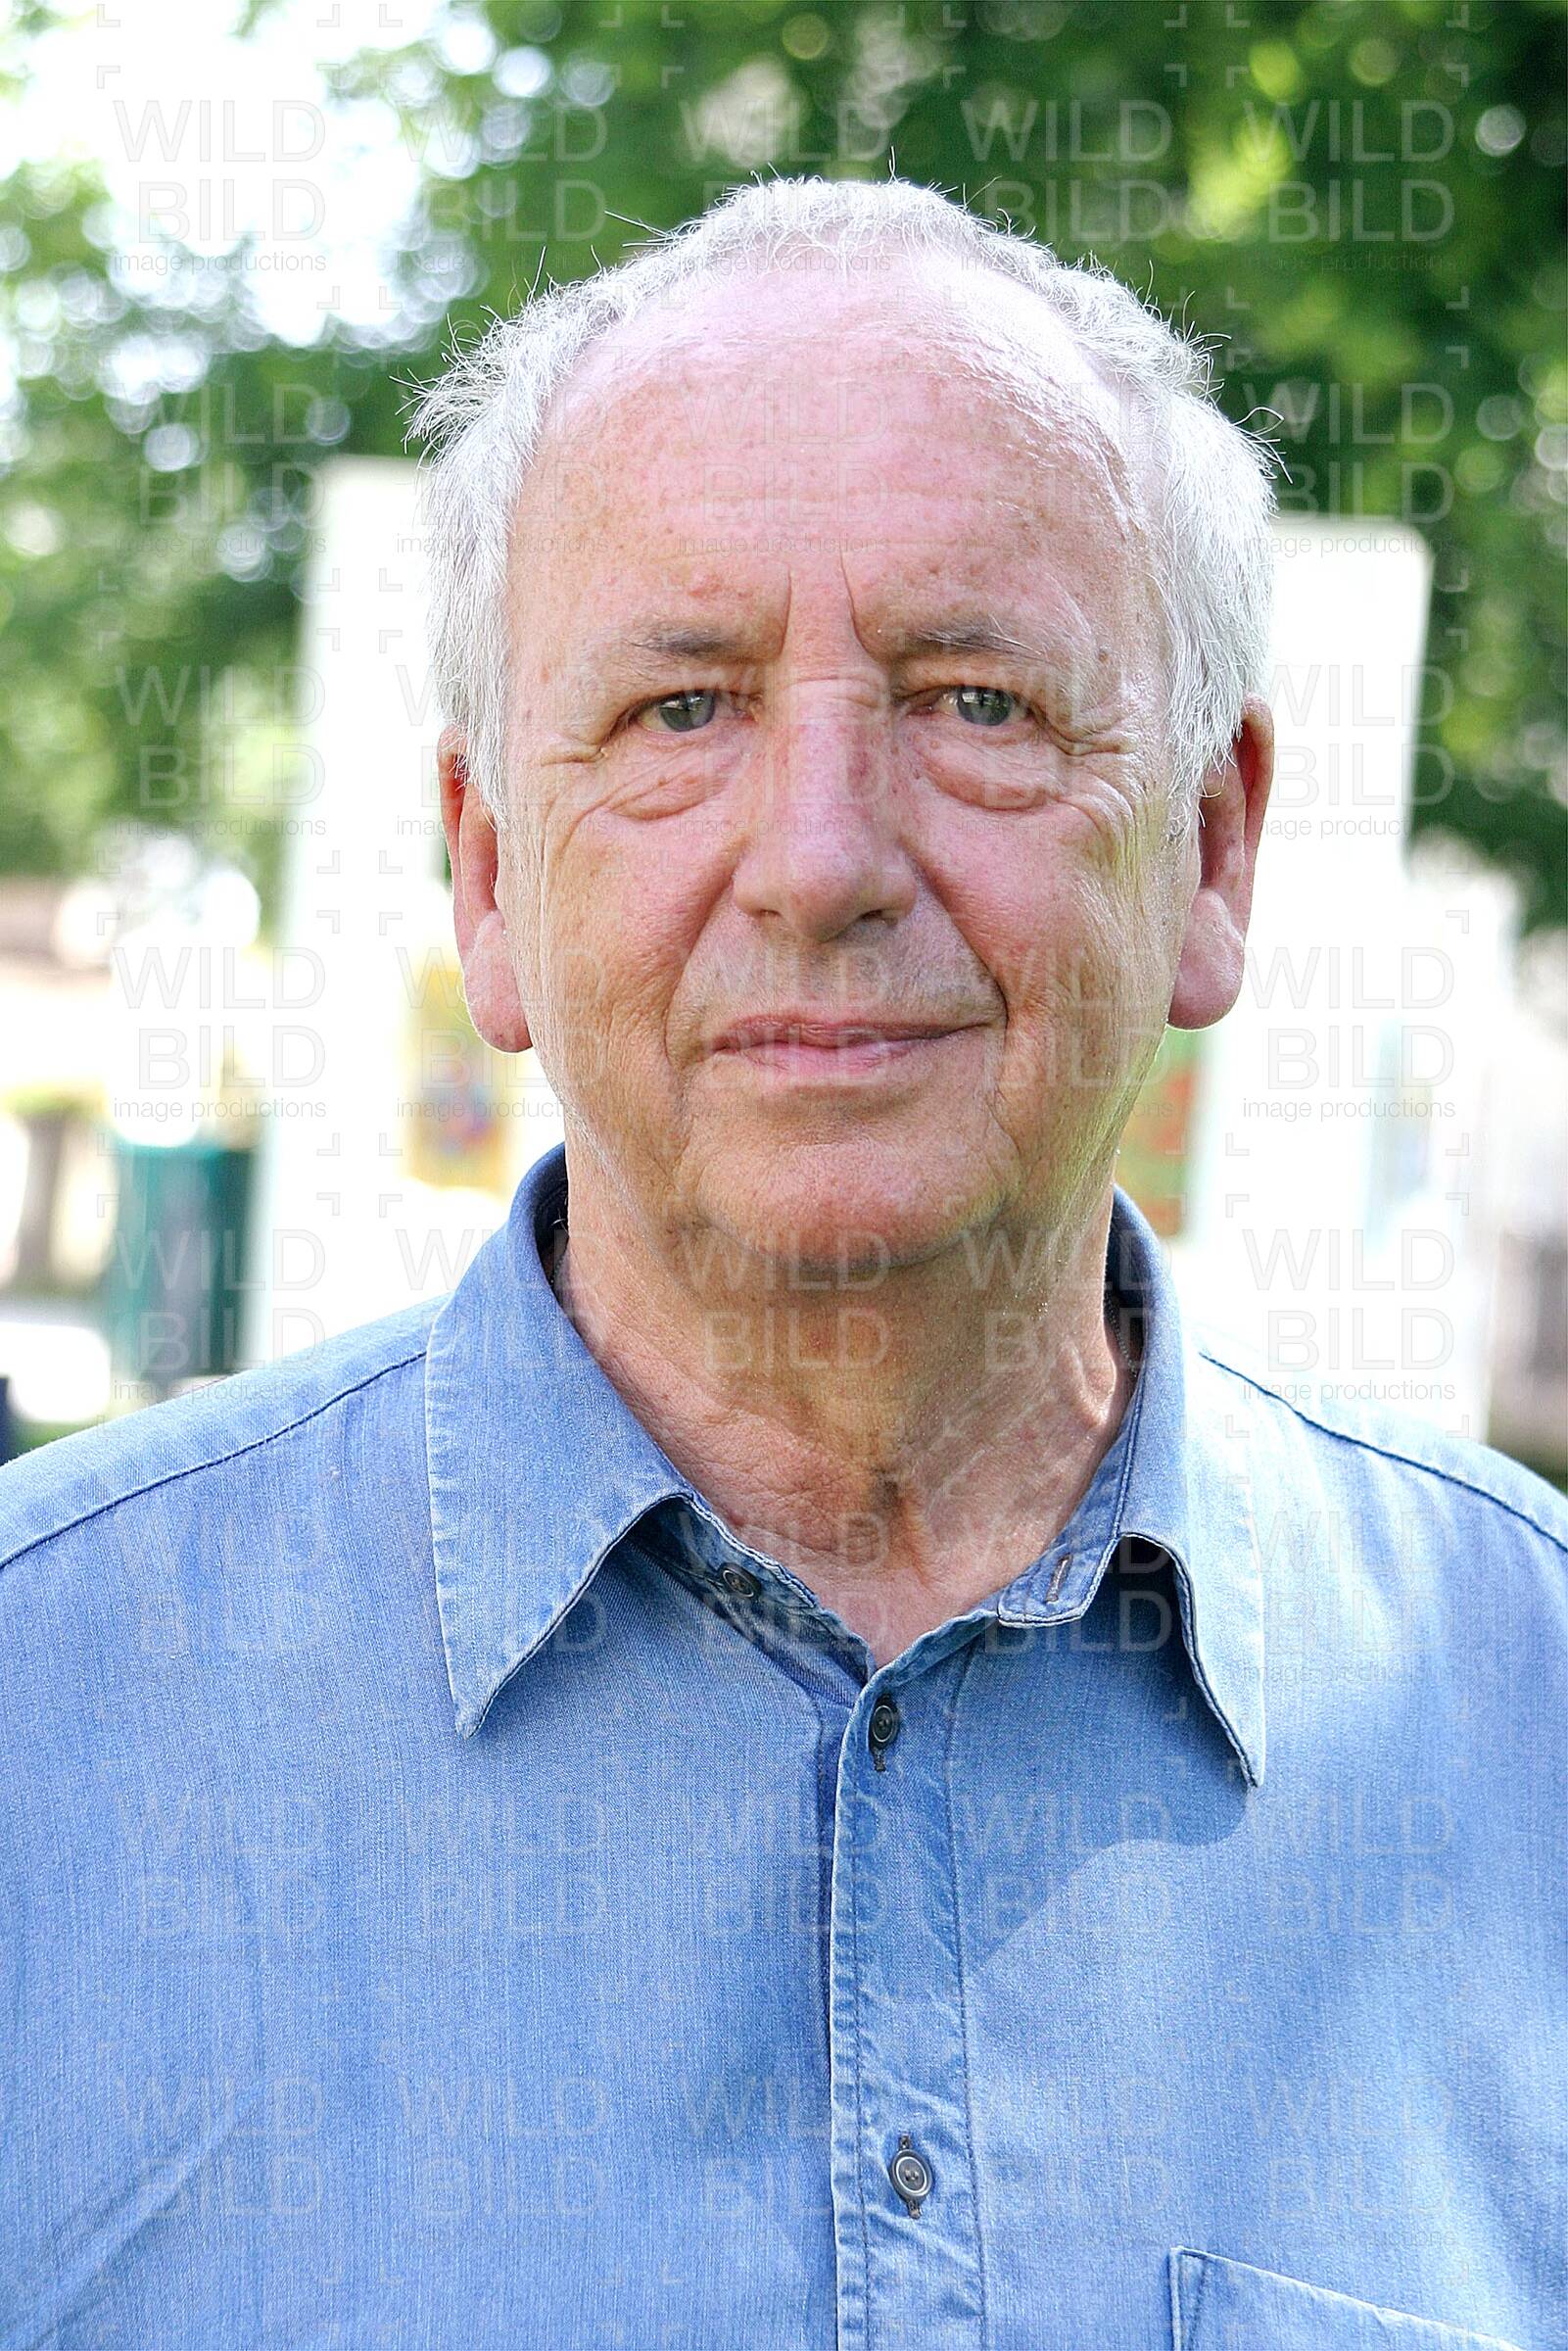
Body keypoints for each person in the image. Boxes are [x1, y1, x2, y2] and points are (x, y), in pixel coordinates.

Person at [1, 177, 1561, 2351]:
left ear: (1211, 849)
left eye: (979, 701)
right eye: (681, 710)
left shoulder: (1529, 1724)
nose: (820, 860)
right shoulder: (43, 1722)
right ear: (485, 878)